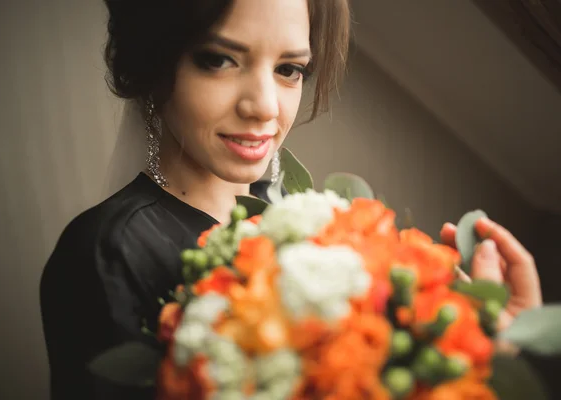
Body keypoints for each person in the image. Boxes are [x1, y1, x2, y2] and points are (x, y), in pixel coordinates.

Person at [39, 0, 542, 399]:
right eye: (219, 60)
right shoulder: (108, 253)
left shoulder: (312, 230)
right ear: (154, 60)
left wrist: (483, 354)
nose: (263, 107)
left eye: (289, 69)